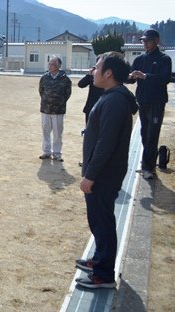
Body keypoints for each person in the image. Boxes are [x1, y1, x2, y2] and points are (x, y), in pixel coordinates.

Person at [75, 51, 138, 289]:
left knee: (102, 220)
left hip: (104, 174)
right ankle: (99, 260)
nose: (93, 71)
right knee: (98, 219)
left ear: (108, 73)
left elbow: (106, 142)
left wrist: (90, 175)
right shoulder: (112, 95)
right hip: (103, 171)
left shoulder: (114, 100)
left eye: (97, 67)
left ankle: (103, 275)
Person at [127, 29, 172, 180]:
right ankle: (147, 162)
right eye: (143, 41)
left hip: (156, 102)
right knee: (144, 134)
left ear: (156, 41)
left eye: (148, 40)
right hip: (143, 100)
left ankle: (149, 167)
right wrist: (128, 76)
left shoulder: (164, 59)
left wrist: (145, 76)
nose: (144, 43)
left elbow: (164, 79)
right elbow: (131, 79)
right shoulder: (140, 59)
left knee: (152, 134)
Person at [38, 56, 71, 162]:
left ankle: (57, 153)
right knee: (45, 131)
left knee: (57, 133)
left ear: (59, 66)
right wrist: (47, 101)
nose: (50, 66)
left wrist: (59, 102)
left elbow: (67, 94)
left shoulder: (65, 79)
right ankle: (46, 152)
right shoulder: (44, 77)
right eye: (49, 64)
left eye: (52, 64)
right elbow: (41, 91)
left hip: (58, 110)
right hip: (46, 109)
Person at [77, 60, 104, 125]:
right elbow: (81, 84)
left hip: (103, 108)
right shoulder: (92, 76)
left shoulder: (108, 78)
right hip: (91, 107)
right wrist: (89, 75)